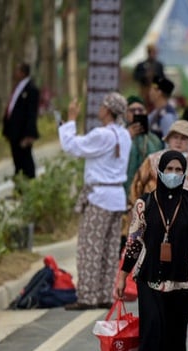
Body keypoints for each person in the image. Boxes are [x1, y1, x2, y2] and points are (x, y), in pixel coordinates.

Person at [116, 150, 188, 351]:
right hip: (151, 276)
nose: (174, 174)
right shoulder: (144, 204)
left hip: (183, 277)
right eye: (169, 169)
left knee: (176, 329)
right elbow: (134, 242)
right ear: (160, 171)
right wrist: (123, 274)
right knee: (152, 327)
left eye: (179, 170)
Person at [59, 93, 131, 311]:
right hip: (116, 196)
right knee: (109, 250)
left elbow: (72, 146)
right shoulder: (124, 135)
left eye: (102, 106)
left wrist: (71, 119)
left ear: (108, 110)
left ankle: (88, 296)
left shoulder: (103, 134)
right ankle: (104, 294)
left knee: (90, 248)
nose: (99, 109)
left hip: (99, 197)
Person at [130, 120, 188, 205]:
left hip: (184, 211)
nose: (179, 141)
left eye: (183, 138)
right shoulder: (153, 159)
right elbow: (137, 184)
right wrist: (135, 207)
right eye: (175, 137)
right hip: (153, 209)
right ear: (169, 140)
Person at [3, 63, 40, 179]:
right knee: (17, 160)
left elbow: (31, 114)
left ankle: (30, 184)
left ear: (23, 73)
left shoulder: (31, 89)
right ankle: (19, 187)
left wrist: (29, 134)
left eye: (17, 71)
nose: (15, 73)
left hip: (23, 132)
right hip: (14, 131)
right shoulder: (18, 87)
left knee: (26, 159)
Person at [124, 96, 163, 196]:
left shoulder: (154, 140)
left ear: (146, 113)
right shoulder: (120, 136)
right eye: (132, 110)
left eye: (140, 110)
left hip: (148, 193)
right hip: (123, 191)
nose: (137, 113)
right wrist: (127, 136)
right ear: (125, 114)